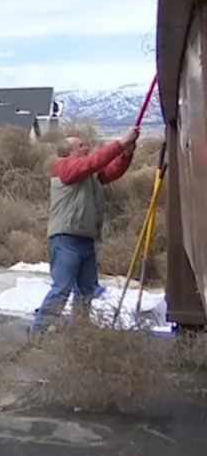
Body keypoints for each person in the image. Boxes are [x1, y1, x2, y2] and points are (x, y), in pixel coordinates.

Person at [29, 127, 140, 335]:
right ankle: (38, 332)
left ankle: (79, 333)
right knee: (62, 289)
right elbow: (95, 162)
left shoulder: (90, 176)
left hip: (85, 240)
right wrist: (120, 143)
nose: (86, 148)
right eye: (81, 146)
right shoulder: (62, 168)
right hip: (66, 239)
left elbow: (111, 171)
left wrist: (127, 153)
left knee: (87, 291)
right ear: (68, 152)